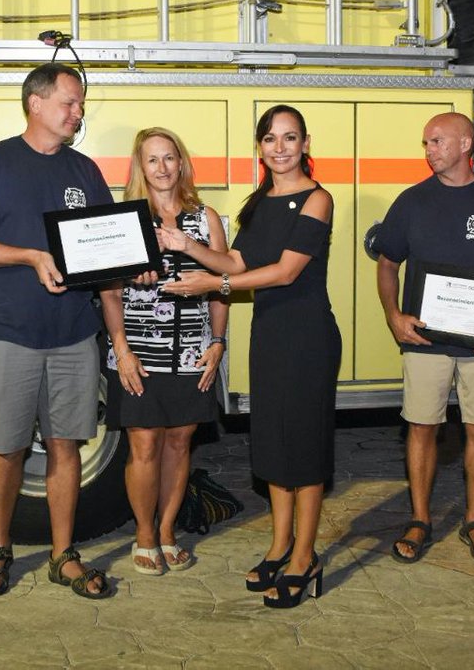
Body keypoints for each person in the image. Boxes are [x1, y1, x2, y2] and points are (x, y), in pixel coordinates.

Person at [0, 63, 119, 600]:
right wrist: (27, 256)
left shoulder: (86, 172)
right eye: (69, 102)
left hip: (73, 333)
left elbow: (106, 248)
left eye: (81, 104)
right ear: (36, 103)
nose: (77, 112)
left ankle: (62, 554)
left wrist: (130, 260)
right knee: (6, 449)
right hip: (9, 333)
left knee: (66, 446)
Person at [164, 104, 340, 609]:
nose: (279, 148)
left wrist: (213, 283)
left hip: (307, 338)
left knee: (303, 451)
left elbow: (285, 272)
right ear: (259, 147)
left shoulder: (317, 200)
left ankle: (305, 558)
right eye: (270, 138)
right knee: (275, 447)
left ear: (305, 144)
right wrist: (189, 246)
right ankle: (280, 546)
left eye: (289, 138)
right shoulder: (260, 202)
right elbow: (237, 260)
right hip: (269, 337)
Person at [371, 112, 474, 566]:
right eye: (425, 143)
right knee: (422, 427)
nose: (429, 150)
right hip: (425, 341)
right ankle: (420, 519)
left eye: (437, 141)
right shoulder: (411, 202)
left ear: (465, 143)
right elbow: (387, 263)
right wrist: (393, 315)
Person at [100, 127, 229, 576]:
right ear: (141, 167)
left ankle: (169, 530)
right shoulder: (124, 220)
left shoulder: (205, 218)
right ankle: (144, 534)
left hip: (192, 354)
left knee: (179, 443)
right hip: (139, 354)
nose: (162, 167)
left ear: (182, 163)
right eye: (152, 159)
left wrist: (217, 344)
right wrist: (122, 348)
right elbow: (110, 293)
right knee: (145, 446)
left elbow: (223, 287)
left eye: (169, 157)